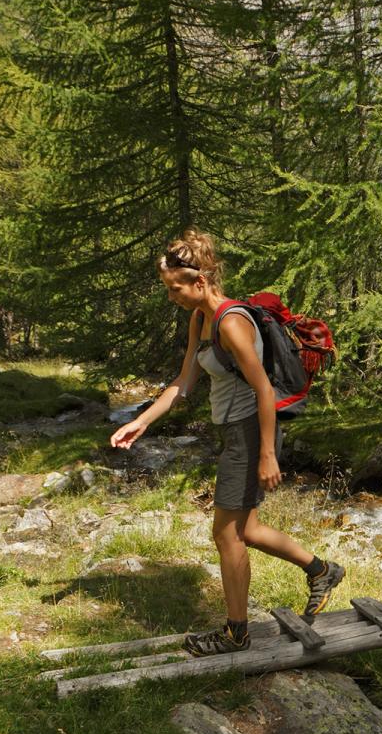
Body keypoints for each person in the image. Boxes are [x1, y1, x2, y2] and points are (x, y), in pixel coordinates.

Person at [109, 230, 344, 656]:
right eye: (168, 288)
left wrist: (268, 454)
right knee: (247, 529)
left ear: (199, 281)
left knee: (226, 534)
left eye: (175, 288)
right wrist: (140, 421)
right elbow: (183, 383)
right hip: (235, 430)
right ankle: (322, 570)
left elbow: (263, 390)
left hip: (251, 430)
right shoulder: (200, 318)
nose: (172, 296)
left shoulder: (232, 323)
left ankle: (236, 633)